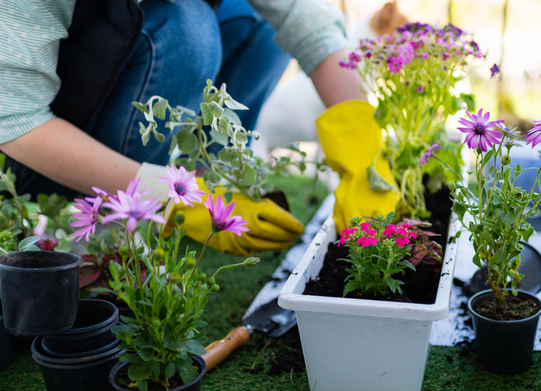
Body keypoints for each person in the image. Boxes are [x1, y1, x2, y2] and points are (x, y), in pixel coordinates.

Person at [0, 0, 398, 256]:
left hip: (95, 75)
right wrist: (175, 198)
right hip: (34, 160)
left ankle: (216, 184)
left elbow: (304, 18)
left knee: (256, 22)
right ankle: (122, 224)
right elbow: (15, 118)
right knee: (188, 29)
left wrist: (364, 148)